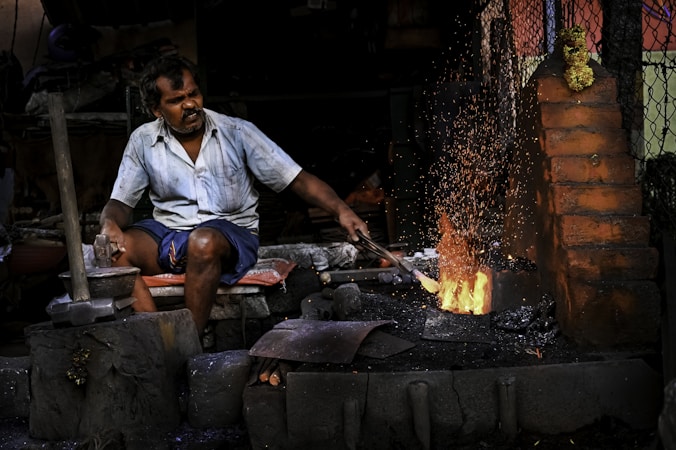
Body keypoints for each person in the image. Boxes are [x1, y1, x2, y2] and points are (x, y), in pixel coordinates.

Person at [99, 55, 368, 336]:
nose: (190, 104)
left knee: (202, 242)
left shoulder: (237, 133)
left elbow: (297, 180)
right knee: (116, 252)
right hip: (170, 233)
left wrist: (342, 210)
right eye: (177, 100)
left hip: (230, 235)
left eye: (194, 94)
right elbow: (120, 201)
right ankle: (157, 339)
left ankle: (189, 341)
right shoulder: (143, 140)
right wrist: (109, 223)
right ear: (156, 109)